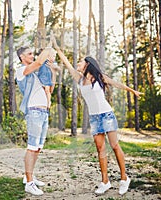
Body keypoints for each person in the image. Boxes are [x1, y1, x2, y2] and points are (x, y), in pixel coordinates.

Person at [51, 37, 143, 195]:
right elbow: (65, 62)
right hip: (94, 118)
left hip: (106, 115)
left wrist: (133, 91)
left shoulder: (99, 77)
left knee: (114, 146)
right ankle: (105, 181)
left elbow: (117, 84)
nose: (77, 64)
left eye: (80, 62)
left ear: (87, 64)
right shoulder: (79, 79)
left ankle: (124, 178)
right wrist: (56, 47)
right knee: (100, 149)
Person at [15, 46, 51, 196]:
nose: (33, 56)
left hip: (43, 112)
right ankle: (29, 184)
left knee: (38, 148)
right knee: (32, 147)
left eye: (33, 53)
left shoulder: (35, 74)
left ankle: (28, 176)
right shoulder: (21, 71)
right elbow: (37, 63)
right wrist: (48, 48)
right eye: (30, 54)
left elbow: (48, 86)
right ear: (22, 57)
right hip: (34, 112)